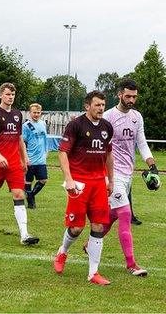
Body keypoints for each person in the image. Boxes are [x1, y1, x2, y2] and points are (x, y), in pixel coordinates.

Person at [53, 90, 114, 286]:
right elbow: (63, 153)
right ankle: (62, 252)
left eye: (103, 105)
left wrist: (110, 180)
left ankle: (93, 273)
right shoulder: (75, 125)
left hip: (98, 183)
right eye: (97, 105)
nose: (101, 108)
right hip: (79, 182)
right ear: (87, 106)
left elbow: (108, 155)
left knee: (98, 225)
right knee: (77, 227)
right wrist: (69, 179)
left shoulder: (107, 127)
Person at [101, 80, 156, 276]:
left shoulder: (137, 117)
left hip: (128, 174)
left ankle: (91, 242)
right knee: (125, 213)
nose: (132, 100)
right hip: (112, 175)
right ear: (119, 95)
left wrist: (153, 166)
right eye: (128, 96)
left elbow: (141, 143)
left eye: (134, 96)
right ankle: (131, 263)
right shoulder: (108, 116)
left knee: (114, 215)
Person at [0, 83, 39, 245]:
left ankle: (24, 235)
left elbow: (19, 138)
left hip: (13, 163)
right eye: (7, 94)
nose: (10, 97)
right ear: (0, 95)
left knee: (19, 195)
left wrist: (24, 157)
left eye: (12, 94)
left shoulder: (17, 114)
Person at [22, 103, 48, 209]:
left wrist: (46, 151)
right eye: (34, 112)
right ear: (30, 113)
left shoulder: (43, 124)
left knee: (43, 180)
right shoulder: (26, 126)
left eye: (38, 112)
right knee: (28, 181)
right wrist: (25, 157)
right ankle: (31, 202)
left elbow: (45, 139)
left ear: (41, 113)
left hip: (41, 158)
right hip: (30, 158)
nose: (36, 114)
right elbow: (23, 142)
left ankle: (31, 195)